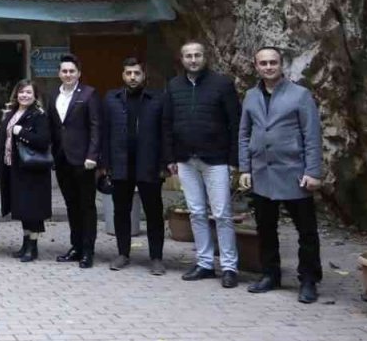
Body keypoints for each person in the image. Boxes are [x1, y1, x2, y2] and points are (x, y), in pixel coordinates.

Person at [238, 46, 324, 304]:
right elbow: (244, 134)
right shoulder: (251, 96)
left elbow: (312, 135)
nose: (268, 67)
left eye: (272, 62)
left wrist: (313, 171)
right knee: (265, 228)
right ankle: (270, 274)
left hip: (294, 173)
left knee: (306, 230)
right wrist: (245, 168)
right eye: (263, 63)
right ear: (256, 66)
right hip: (262, 173)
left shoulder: (300, 95)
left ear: (281, 64)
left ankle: (308, 279)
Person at [163, 40, 241, 288]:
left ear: (205, 57)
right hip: (186, 159)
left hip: (216, 159)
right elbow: (167, 124)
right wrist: (170, 158)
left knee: (222, 214)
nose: (193, 60)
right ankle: (205, 263)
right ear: (182, 59)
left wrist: (233, 160)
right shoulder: (174, 86)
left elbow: (235, 124)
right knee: (196, 212)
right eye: (188, 56)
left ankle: (229, 266)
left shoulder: (222, 84)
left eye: (197, 55)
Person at [101, 58, 168, 275]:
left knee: (154, 212)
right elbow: (105, 133)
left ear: (143, 75)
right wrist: (106, 164)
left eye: (137, 73)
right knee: (121, 212)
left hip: (149, 164)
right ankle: (122, 253)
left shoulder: (157, 99)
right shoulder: (112, 98)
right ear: (123, 75)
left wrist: (164, 163)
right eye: (128, 73)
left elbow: (165, 133)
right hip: (121, 164)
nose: (132, 77)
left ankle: (156, 257)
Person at [47, 54, 100, 268]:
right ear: (59, 73)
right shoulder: (53, 96)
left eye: (72, 71)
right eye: (64, 71)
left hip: (83, 160)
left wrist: (93, 155)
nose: (68, 74)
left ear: (79, 73)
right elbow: (53, 127)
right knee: (71, 205)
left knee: (86, 205)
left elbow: (96, 126)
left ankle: (88, 250)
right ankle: (76, 246)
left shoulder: (89, 94)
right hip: (62, 159)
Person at [0, 80, 51, 263]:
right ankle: (25, 243)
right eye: (21, 92)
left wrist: (21, 132)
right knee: (23, 209)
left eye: (28, 92)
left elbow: (43, 141)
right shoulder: (12, 113)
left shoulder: (39, 115)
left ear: (35, 96)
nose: (24, 95)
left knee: (33, 211)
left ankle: (33, 247)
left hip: (33, 170)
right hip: (16, 168)